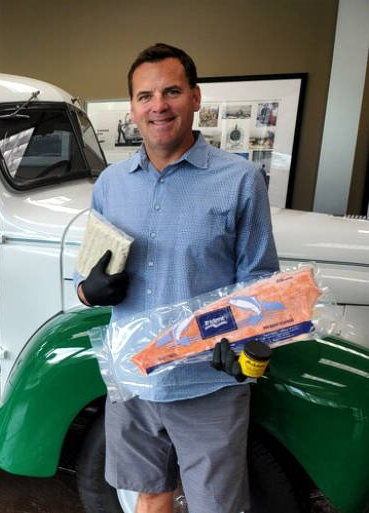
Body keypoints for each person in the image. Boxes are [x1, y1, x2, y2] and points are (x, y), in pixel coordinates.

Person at [76, 43, 278, 513]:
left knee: (216, 506)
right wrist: (89, 290)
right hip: (131, 378)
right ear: (132, 108)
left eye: (171, 91)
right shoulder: (111, 183)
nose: (158, 105)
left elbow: (260, 280)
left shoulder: (240, 180)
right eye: (145, 96)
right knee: (147, 497)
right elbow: (85, 275)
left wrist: (250, 341)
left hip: (207, 382)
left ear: (195, 98)